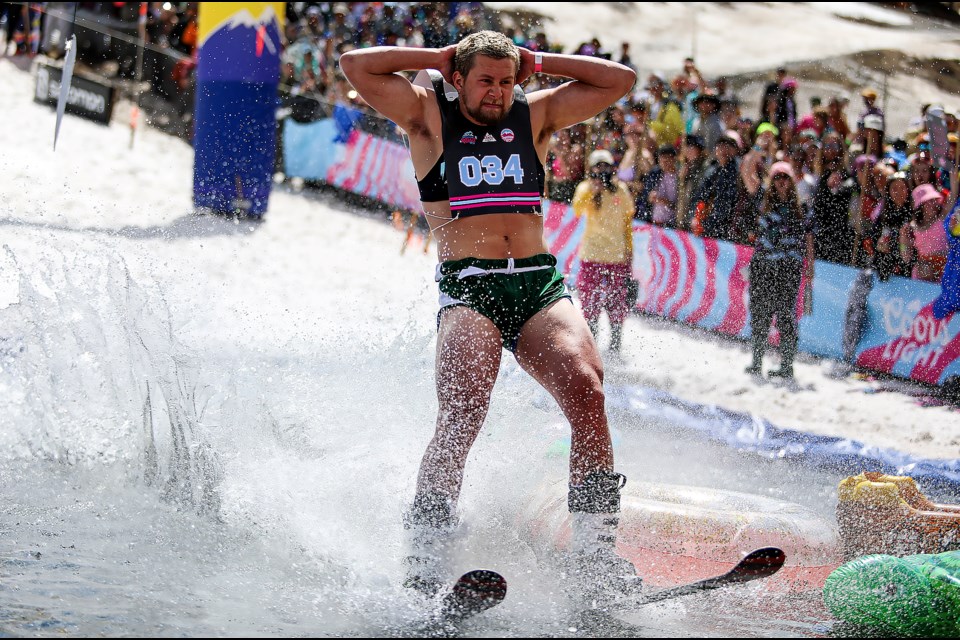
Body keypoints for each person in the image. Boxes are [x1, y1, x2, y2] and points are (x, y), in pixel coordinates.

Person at [339, 31, 638, 599]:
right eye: (486, 80)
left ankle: (597, 558)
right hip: (470, 286)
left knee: (588, 390)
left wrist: (539, 63)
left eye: (507, 81)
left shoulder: (536, 114)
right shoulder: (426, 116)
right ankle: (424, 555)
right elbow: (355, 65)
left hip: (537, 284)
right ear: (459, 78)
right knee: (464, 410)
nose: (499, 92)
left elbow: (619, 80)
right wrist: (434, 59)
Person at [745, 162, 815, 380]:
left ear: (791, 181)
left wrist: (810, 265)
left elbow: (809, 237)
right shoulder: (762, 201)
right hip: (763, 264)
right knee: (760, 313)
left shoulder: (802, 207)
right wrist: (759, 147)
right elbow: (747, 171)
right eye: (777, 177)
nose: (781, 182)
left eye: (785, 177)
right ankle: (756, 361)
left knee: (785, 315)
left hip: (789, 267)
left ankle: (786, 365)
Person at [573, 150, 636, 353]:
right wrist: (594, 190)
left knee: (617, 301)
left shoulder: (621, 191)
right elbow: (577, 209)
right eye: (598, 166)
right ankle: (592, 342)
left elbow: (627, 223)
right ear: (591, 169)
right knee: (589, 300)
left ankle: (615, 343)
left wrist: (629, 250)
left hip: (617, 257)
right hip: (592, 254)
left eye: (605, 166)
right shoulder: (585, 188)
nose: (602, 170)